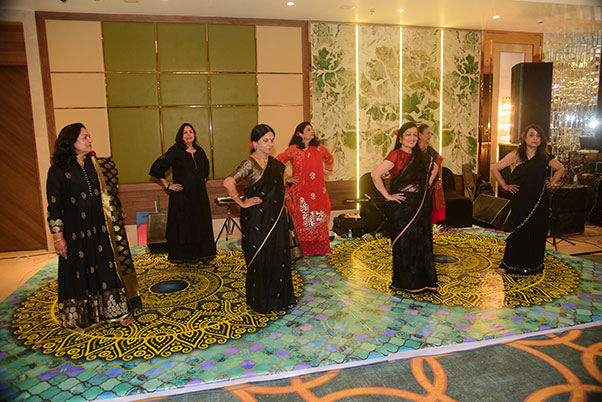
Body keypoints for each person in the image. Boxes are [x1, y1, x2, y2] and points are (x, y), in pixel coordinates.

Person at [47, 123, 140, 329]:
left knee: (106, 267)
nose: (89, 140)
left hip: (99, 229)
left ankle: (116, 312)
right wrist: (58, 238)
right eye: (84, 137)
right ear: (71, 142)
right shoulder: (57, 171)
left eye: (89, 136)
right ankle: (84, 316)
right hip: (75, 233)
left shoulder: (95, 165)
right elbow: (53, 207)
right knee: (79, 271)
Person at [223, 124, 296, 314]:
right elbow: (228, 182)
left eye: (272, 140)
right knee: (259, 257)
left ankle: (278, 300)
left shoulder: (276, 164)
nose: (270, 144)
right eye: (265, 140)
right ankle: (260, 302)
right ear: (254, 143)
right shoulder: (249, 164)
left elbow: (282, 186)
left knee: (278, 255)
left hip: (276, 218)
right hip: (256, 219)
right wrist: (241, 202)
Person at [371, 122, 439, 293]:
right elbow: (375, 174)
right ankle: (405, 282)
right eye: (408, 134)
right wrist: (388, 196)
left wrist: (425, 187)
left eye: (415, 135)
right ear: (401, 137)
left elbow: (435, 167)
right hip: (401, 209)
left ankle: (424, 282)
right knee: (404, 245)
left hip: (420, 207)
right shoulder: (396, 155)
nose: (412, 138)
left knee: (420, 243)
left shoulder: (423, 157)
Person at [491, 124, 565, 275]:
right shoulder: (517, 154)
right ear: (525, 137)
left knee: (537, 231)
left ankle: (533, 265)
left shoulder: (545, 156)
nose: (535, 138)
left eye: (538, 136)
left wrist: (552, 182)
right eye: (532, 135)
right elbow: (495, 168)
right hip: (521, 199)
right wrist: (504, 185)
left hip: (540, 200)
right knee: (518, 230)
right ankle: (508, 264)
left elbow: (561, 168)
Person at [149, 123, 216, 266]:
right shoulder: (175, 151)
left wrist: (197, 184)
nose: (188, 134)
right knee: (187, 227)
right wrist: (167, 185)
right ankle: (190, 258)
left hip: (199, 197)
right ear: (181, 136)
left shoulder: (200, 151)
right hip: (182, 198)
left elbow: (205, 172)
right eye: (185, 132)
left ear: (194, 134)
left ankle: (206, 256)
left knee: (202, 225)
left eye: (190, 131)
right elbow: (157, 168)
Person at [276, 122, 334, 256]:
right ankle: (305, 250)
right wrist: (287, 178)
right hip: (301, 192)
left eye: (312, 129)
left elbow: (329, 158)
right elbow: (277, 162)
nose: (311, 131)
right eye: (308, 130)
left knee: (319, 218)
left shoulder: (318, 148)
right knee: (304, 218)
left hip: (318, 190)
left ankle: (321, 248)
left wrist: (325, 169)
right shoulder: (293, 150)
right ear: (300, 134)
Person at [418, 124, 445, 223]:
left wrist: (439, 179)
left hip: (429, 183)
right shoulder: (413, 149)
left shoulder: (430, 150)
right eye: (427, 133)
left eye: (430, 133)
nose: (429, 136)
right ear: (420, 135)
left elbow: (439, 164)